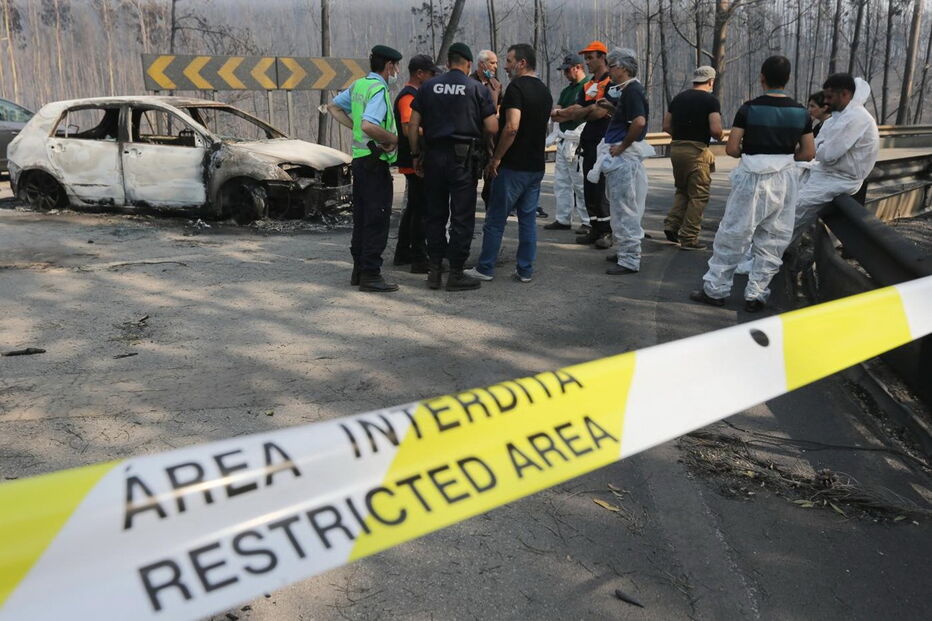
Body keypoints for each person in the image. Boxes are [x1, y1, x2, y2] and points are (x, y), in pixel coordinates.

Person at [690, 55, 815, 312]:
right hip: (784, 179)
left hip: (751, 177)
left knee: (733, 233)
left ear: (762, 77)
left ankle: (716, 290)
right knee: (774, 237)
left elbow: (733, 148)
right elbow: (808, 153)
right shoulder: (801, 112)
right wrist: (784, 156)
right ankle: (756, 294)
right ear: (787, 79)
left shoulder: (748, 109)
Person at [408, 42, 498, 291]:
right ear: (469, 64)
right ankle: (456, 273)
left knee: (435, 215)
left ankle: (435, 271)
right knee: (462, 217)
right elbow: (492, 127)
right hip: (463, 160)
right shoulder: (476, 88)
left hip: (434, 158)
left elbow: (413, 125)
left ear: (448, 62)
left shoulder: (427, 87)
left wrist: (416, 154)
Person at [464, 44, 553, 283]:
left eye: (509, 60)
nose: (504, 65)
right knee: (527, 221)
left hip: (514, 166)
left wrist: (496, 158)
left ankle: (485, 268)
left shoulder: (516, 88)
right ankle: (525, 270)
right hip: (536, 165)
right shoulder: (544, 91)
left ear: (522, 63)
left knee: (495, 220)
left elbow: (512, 127)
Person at [327, 45, 402, 293]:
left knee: (361, 217)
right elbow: (369, 125)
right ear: (389, 66)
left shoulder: (360, 85)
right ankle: (371, 274)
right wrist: (391, 138)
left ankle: (359, 269)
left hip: (359, 160)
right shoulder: (379, 89)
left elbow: (333, 108)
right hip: (374, 161)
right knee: (377, 217)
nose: (396, 71)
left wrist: (355, 129)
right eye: (395, 66)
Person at [790, 73, 879, 240]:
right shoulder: (837, 118)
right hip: (825, 172)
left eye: (830, 97)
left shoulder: (857, 118)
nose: (826, 101)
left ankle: (768, 257)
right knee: (787, 202)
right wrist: (819, 149)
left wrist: (819, 150)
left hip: (840, 179)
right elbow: (818, 147)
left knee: (794, 211)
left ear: (845, 94)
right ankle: (779, 252)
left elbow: (828, 154)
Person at [550, 41, 614, 248]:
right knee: (588, 185)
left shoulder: (610, 82)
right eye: (585, 58)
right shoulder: (589, 85)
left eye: (590, 58)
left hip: (605, 139)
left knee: (600, 187)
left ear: (602, 57)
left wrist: (583, 111)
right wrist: (585, 110)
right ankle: (594, 228)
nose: (587, 62)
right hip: (588, 139)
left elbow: (600, 111)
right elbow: (580, 109)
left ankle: (606, 231)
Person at [596, 48, 654, 275]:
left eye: (611, 66)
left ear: (623, 68)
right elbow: (630, 116)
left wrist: (621, 147)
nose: (609, 69)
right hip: (620, 155)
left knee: (625, 208)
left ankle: (630, 258)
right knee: (620, 207)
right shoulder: (628, 92)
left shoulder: (632, 90)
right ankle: (624, 251)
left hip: (624, 157)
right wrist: (613, 109)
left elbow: (638, 122)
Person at [662, 65, 723, 250]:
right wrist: (720, 136)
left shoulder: (679, 98)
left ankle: (672, 225)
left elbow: (666, 125)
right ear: (711, 81)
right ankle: (689, 237)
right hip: (697, 151)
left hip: (677, 149)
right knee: (699, 195)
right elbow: (715, 129)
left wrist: (681, 135)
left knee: (682, 190)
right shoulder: (710, 101)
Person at [392, 54, 440, 273]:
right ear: (419, 74)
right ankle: (419, 259)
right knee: (421, 210)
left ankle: (403, 252)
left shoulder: (416, 95)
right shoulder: (408, 97)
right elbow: (407, 127)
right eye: (430, 73)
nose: (432, 78)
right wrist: (437, 131)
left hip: (416, 157)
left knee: (414, 208)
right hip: (414, 159)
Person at [543, 53, 589, 232]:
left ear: (578, 68)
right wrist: (561, 114)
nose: (565, 74)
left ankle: (587, 221)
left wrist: (561, 113)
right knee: (561, 182)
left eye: (568, 70)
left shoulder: (587, 87)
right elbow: (560, 113)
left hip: (578, 142)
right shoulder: (567, 90)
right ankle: (563, 218)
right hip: (564, 140)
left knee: (580, 183)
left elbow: (576, 112)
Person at [472, 50, 503, 210]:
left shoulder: (496, 85)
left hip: (491, 140)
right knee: (469, 180)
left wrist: (497, 112)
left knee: (491, 179)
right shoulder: (469, 82)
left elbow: (500, 104)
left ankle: (491, 209)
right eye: (492, 63)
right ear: (481, 64)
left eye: (496, 63)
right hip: (473, 139)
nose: (495, 66)